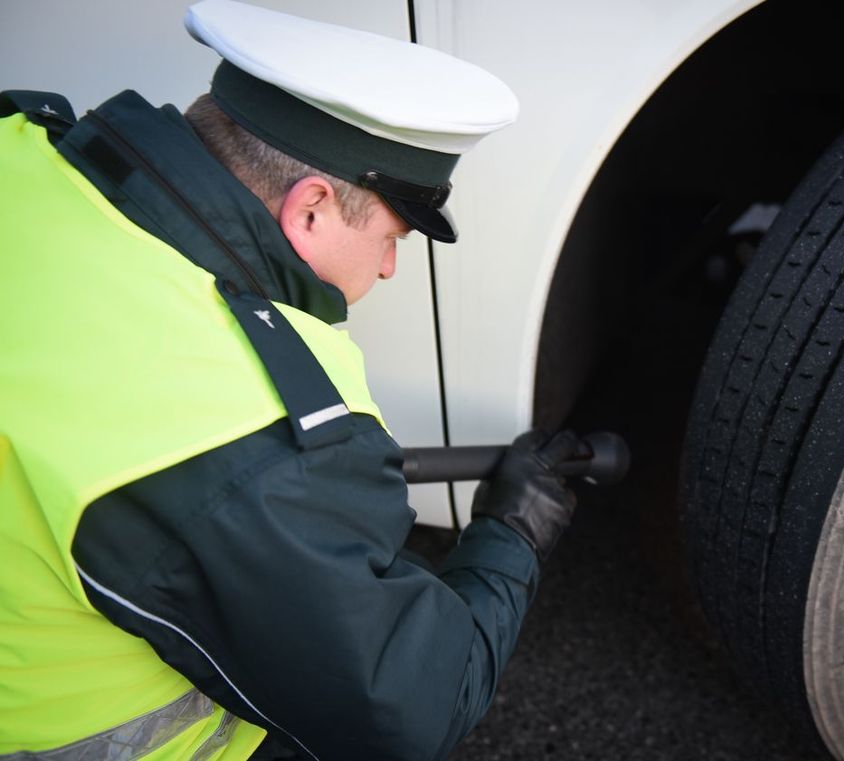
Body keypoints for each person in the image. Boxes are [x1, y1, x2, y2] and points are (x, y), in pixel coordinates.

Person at [0, 1, 582, 759]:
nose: (385, 267)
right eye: (389, 237)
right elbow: (412, 705)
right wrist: (512, 533)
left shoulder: (25, 148)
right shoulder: (238, 433)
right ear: (309, 211)